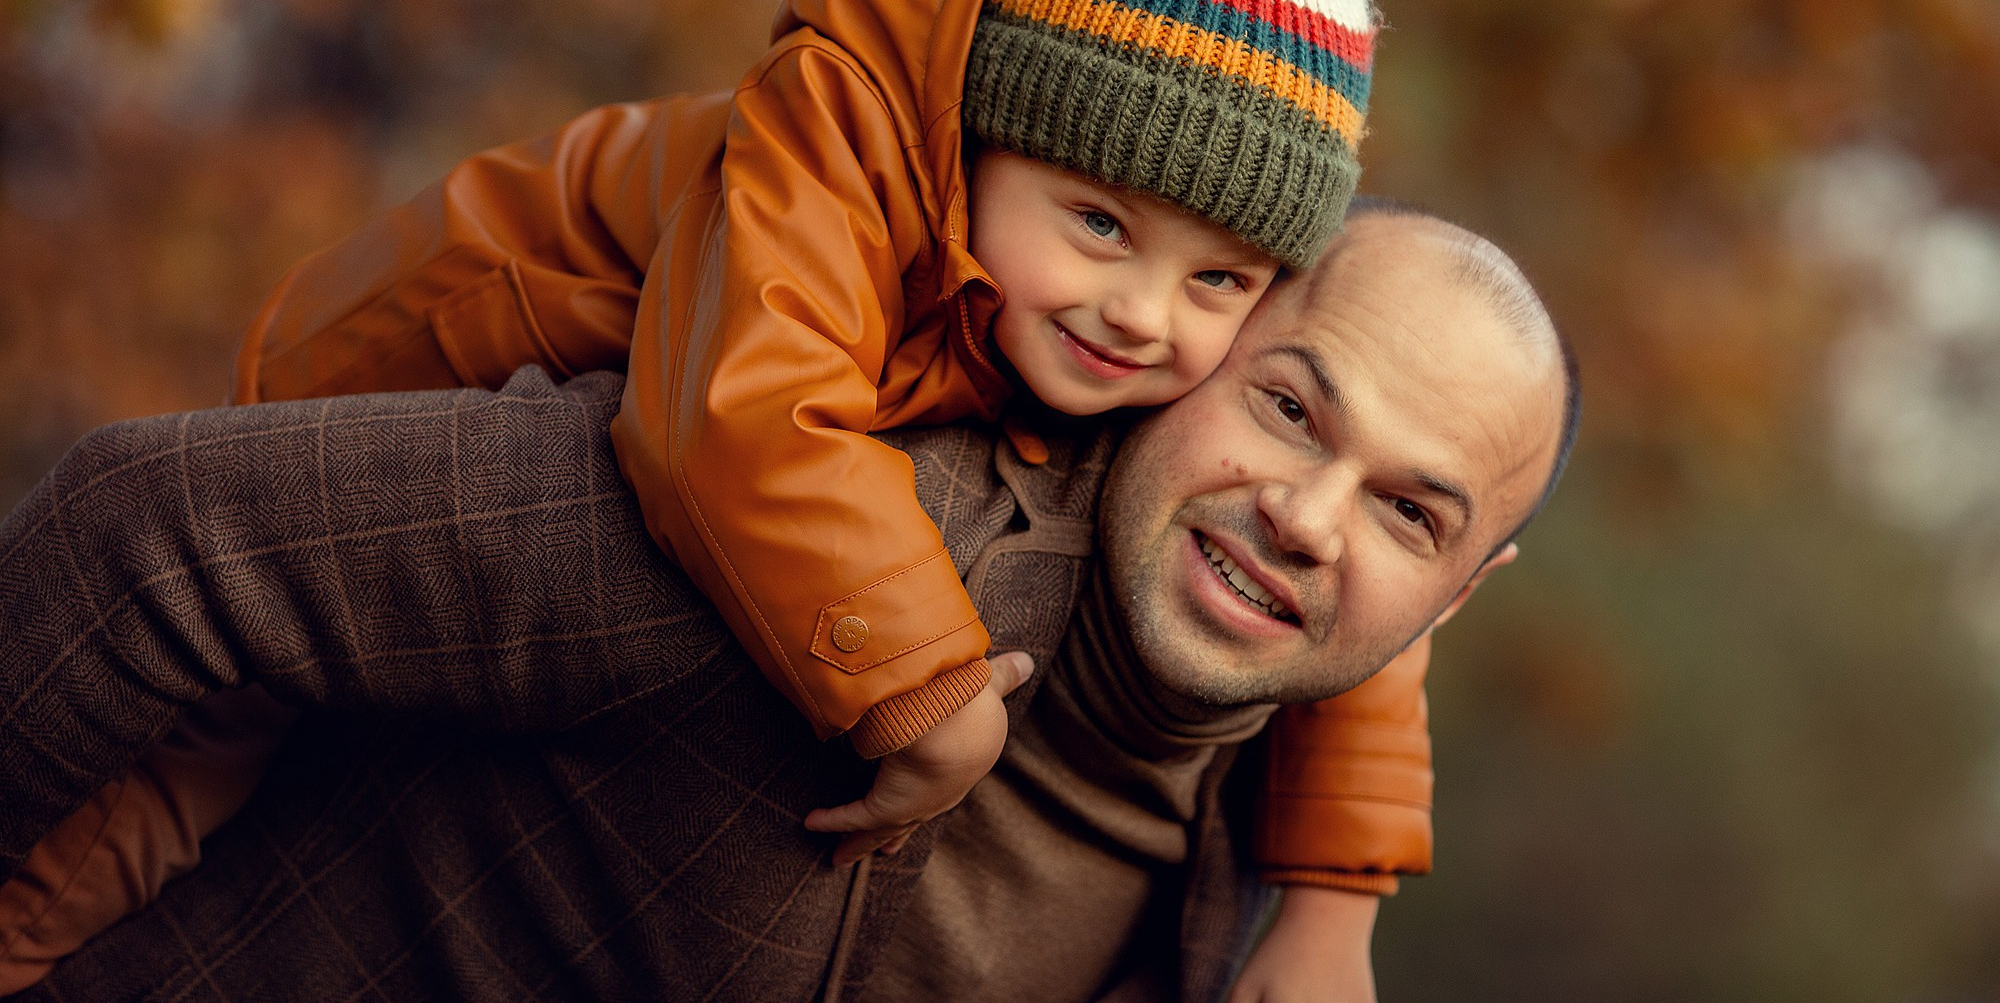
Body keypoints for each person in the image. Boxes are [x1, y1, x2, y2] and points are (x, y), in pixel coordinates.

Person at [0, 0, 1431, 992]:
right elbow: (740, 411)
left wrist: (1334, 892)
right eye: (1100, 227)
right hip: (435, 368)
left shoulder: (1159, 320)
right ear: (978, 143)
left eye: (1217, 283)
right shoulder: (844, 145)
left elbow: (1381, 479)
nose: (1143, 314)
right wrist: (930, 692)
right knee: (167, 792)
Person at [0, 205, 1576, 1001]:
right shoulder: (826, 538)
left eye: (1408, 509)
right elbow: (148, 531)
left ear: (1455, 593)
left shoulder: (1256, 879)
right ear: (1206, 354)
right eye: (1292, 411)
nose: (1306, 516)